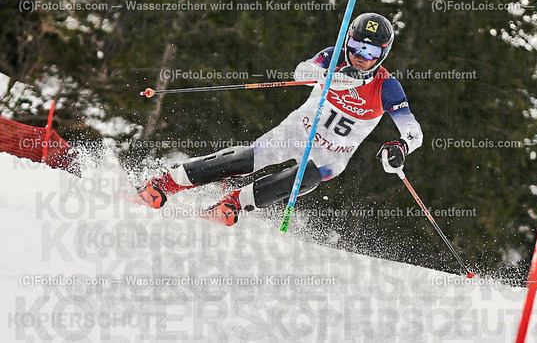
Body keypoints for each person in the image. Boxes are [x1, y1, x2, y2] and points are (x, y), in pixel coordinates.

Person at [137, 13, 423, 225]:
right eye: (356, 45)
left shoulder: (387, 86)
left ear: (382, 54)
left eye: (370, 51)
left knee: (305, 177)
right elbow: (302, 72)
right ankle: (167, 182)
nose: (360, 55)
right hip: (299, 130)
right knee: (247, 160)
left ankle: (233, 204)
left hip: (333, 153)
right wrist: (330, 77)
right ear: (347, 40)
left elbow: (413, 130)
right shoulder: (334, 56)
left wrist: (401, 146)